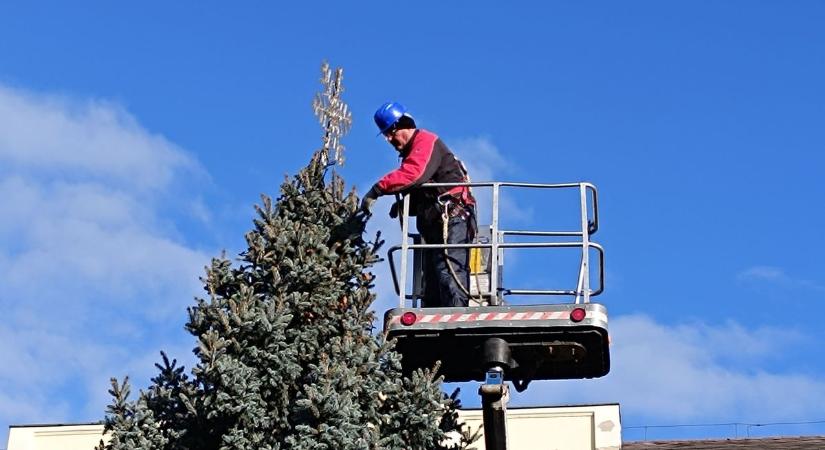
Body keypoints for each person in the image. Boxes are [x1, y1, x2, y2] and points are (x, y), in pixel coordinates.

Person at [360, 102, 476, 308]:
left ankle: (457, 318)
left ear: (403, 125)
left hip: (454, 217)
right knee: (430, 284)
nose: (388, 139)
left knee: (449, 271)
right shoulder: (413, 151)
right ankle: (439, 323)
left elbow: (414, 174)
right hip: (436, 221)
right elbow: (428, 187)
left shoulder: (425, 141)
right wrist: (407, 205)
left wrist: (378, 189)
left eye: (390, 132)